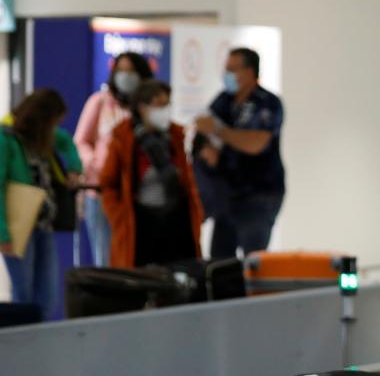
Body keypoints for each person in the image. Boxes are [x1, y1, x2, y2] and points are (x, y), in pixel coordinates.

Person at [99, 80, 203, 269]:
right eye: (158, 105)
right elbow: (107, 184)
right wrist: (118, 216)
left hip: (176, 221)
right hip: (139, 223)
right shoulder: (123, 137)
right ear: (142, 108)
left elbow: (187, 179)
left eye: (167, 104)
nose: (164, 110)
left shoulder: (176, 135)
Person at [194, 47, 285, 258]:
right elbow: (203, 130)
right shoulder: (224, 100)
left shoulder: (267, 103)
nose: (227, 74)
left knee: (253, 258)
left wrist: (219, 131)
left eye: (232, 69)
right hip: (227, 194)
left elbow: (256, 143)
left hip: (259, 194)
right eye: (226, 69)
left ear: (250, 71)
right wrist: (207, 147)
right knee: (219, 259)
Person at [0, 89, 83, 320]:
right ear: (42, 118)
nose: (56, 128)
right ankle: (22, 346)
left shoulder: (44, 137)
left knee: (47, 295)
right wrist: (3, 232)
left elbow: (67, 143)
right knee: (23, 294)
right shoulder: (6, 139)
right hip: (19, 227)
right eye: (54, 121)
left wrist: (75, 167)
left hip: (43, 225)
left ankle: (42, 342)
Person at [74, 51, 153, 266]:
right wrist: (96, 164)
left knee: (137, 255)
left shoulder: (145, 106)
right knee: (106, 255)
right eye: (121, 71)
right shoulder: (100, 102)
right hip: (102, 190)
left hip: (137, 191)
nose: (125, 76)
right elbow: (80, 141)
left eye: (131, 71)